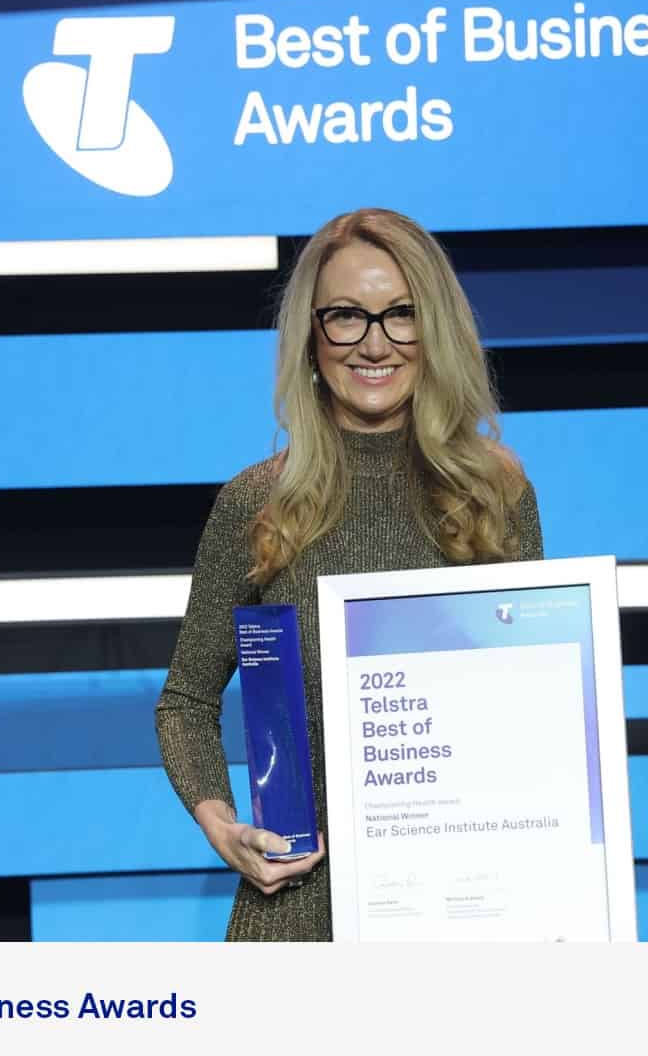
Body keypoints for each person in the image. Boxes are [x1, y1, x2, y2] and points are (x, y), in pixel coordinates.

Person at [154, 207, 545, 941]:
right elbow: (185, 703)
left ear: (435, 330)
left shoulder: (494, 493)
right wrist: (224, 827)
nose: (374, 342)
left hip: (465, 908)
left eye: (402, 314)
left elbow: (533, 709)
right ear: (311, 335)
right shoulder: (256, 503)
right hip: (301, 909)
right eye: (345, 316)